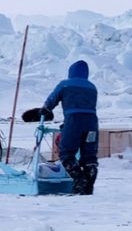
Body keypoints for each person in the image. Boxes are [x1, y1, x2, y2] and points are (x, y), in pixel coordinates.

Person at [37, 59, 99, 191]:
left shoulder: (65, 85)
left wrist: (46, 109)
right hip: (92, 123)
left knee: (66, 152)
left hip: (74, 121)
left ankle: (79, 180)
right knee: (89, 155)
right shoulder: (92, 87)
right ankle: (88, 185)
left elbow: (53, 98)